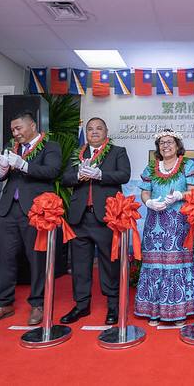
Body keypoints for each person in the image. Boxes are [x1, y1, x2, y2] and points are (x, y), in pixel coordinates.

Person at [0, 111, 62, 326]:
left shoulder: (50, 146)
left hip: (35, 211)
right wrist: (3, 167)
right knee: (4, 259)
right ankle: (3, 304)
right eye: (13, 130)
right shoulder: (12, 148)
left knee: (36, 259)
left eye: (18, 128)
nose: (15, 133)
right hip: (8, 210)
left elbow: (52, 171)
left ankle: (37, 304)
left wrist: (23, 165)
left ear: (32, 126)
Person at [59, 118, 131, 325]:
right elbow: (65, 178)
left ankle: (113, 306)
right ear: (86, 133)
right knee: (80, 264)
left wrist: (100, 175)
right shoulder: (77, 154)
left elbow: (124, 175)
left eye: (99, 128)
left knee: (110, 263)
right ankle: (81, 305)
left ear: (106, 131)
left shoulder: (117, 151)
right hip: (79, 217)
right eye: (90, 129)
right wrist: (78, 175)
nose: (94, 132)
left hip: (106, 216)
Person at [135, 130, 194, 326]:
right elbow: (145, 193)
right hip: (154, 222)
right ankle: (154, 312)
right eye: (162, 143)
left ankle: (178, 312)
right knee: (154, 265)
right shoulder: (151, 168)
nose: (166, 146)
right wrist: (149, 203)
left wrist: (180, 196)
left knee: (176, 263)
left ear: (177, 145)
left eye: (170, 142)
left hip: (178, 222)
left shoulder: (187, 165)